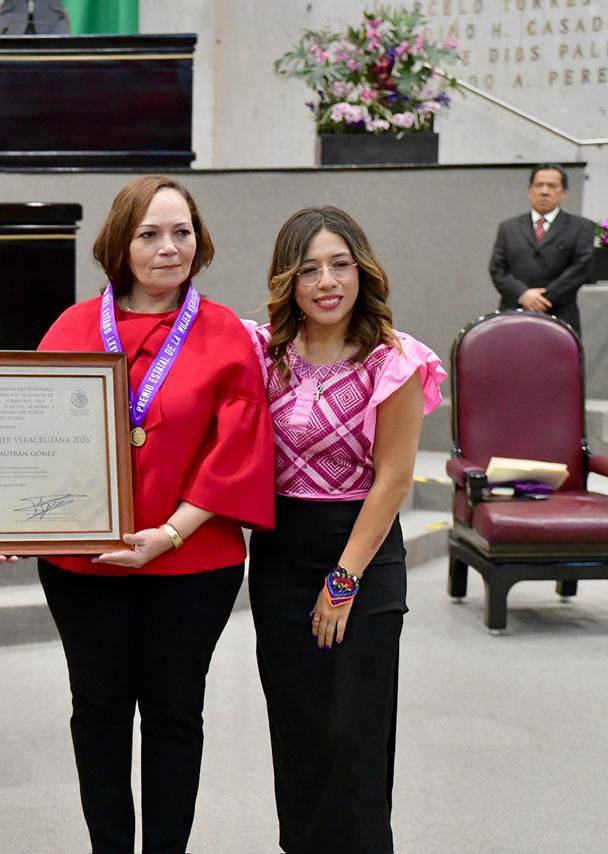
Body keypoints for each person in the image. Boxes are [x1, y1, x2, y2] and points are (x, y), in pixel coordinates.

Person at [35, 175, 275, 853]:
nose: (168, 248)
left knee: (174, 714)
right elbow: (33, 438)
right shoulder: (73, 327)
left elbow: (240, 446)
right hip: (84, 562)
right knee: (100, 711)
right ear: (121, 243)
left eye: (182, 232)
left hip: (192, 562)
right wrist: (10, 518)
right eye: (149, 233)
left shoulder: (225, 332)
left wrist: (171, 532)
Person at [243, 206, 445, 854]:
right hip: (279, 559)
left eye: (340, 264)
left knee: (351, 738)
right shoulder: (266, 355)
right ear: (288, 281)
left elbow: (393, 479)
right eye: (309, 269)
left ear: (361, 270)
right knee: (299, 733)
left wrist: (342, 581)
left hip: (361, 558)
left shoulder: (394, 359)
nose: (327, 281)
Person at [489, 163, 596, 335]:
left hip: (561, 316)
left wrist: (543, 298)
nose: (544, 191)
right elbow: (497, 269)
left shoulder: (582, 227)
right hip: (514, 314)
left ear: (563, 192)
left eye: (552, 186)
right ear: (530, 190)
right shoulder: (508, 228)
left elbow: (581, 268)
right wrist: (523, 294)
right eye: (539, 185)